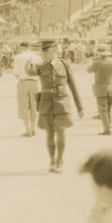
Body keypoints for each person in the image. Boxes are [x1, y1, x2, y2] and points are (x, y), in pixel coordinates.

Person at [30, 39, 83, 173]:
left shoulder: (64, 64)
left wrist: (80, 106)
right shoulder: (40, 65)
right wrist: (30, 62)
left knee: (60, 131)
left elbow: (73, 85)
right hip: (46, 104)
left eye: (44, 52)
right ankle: (52, 160)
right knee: (49, 132)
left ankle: (60, 160)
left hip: (61, 103)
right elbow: (30, 72)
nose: (42, 54)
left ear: (52, 51)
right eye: (41, 52)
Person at [88, 46, 112, 135]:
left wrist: (94, 61)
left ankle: (107, 129)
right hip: (111, 88)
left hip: (101, 89)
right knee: (108, 110)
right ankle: (109, 126)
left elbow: (88, 70)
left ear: (98, 54)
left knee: (103, 110)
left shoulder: (97, 63)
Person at [12, 41, 41, 137]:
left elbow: (16, 73)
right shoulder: (37, 57)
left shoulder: (19, 57)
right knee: (34, 107)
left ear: (22, 47)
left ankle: (28, 130)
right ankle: (33, 129)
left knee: (24, 106)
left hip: (23, 82)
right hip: (34, 83)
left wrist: (21, 79)